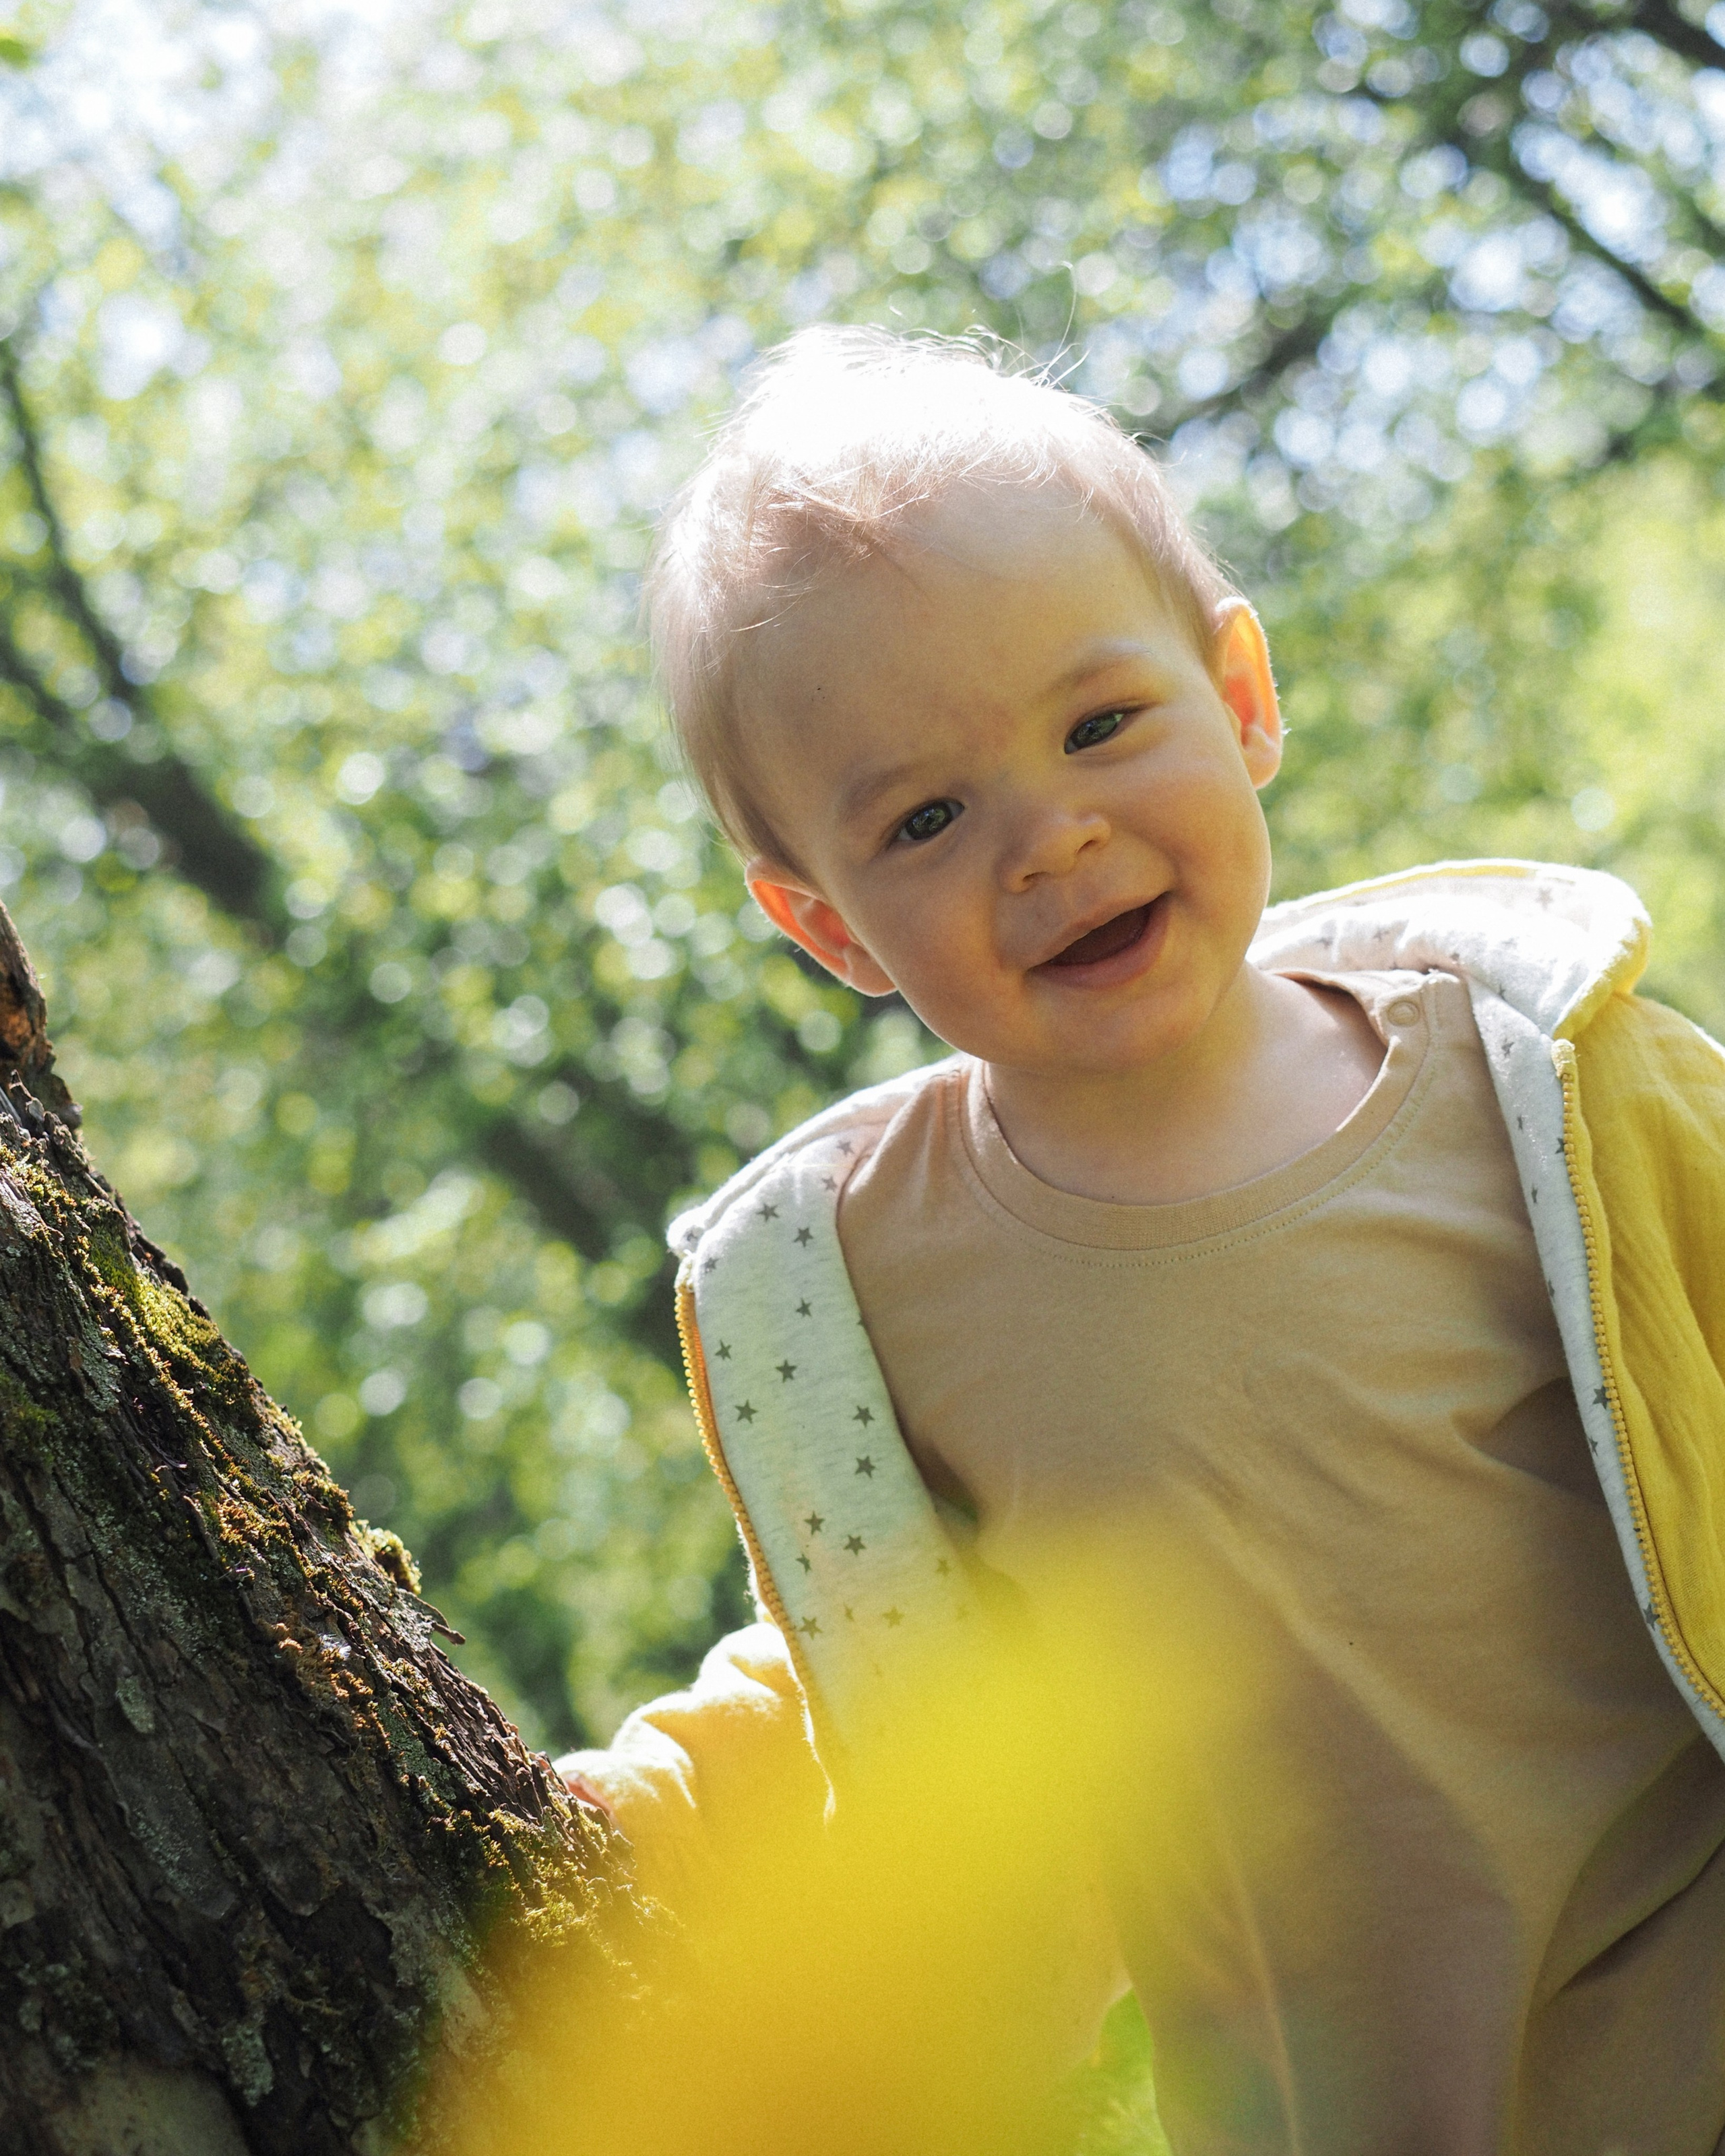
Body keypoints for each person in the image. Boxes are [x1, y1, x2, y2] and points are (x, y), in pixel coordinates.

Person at [558, 325, 1725, 2151]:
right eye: (928, 819)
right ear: (830, 926)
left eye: (1103, 725)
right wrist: (667, 1805)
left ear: (1241, 691)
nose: (1052, 835)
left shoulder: (1543, 1091)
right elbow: (891, 1667)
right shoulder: (879, 1286)